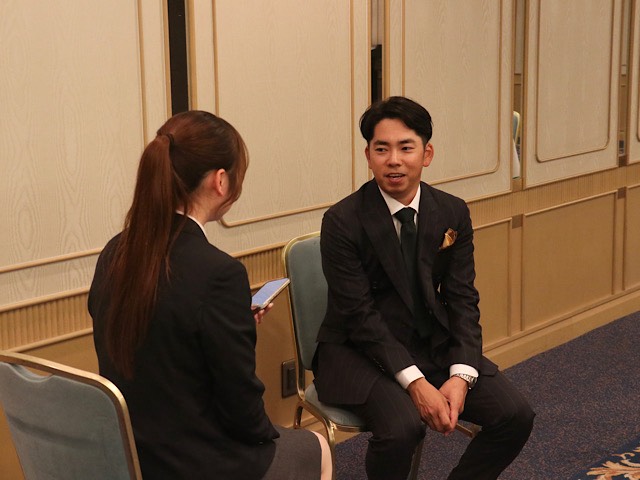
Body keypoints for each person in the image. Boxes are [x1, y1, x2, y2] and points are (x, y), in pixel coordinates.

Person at [89, 110, 331, 480]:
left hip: (130, 452)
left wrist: (231, 320)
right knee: (315, 446)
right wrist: (268, 435)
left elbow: (161, 341)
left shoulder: (116, 252)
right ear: (220, 181)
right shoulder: (218, 273)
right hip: (193, 462)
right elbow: (242, 410)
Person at [314, 96, 534, 480]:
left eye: (406, 148)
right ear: (368, 156)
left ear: (426, 154)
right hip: (357, 351)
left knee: (515, 415)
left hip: (431, 343)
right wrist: (415, 382)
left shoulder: (451, 211)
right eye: (382, 149)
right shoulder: (342, 221)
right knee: (402, 429)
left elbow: (462, 299)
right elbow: (358, 316)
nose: (394, 160)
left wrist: (461, 375)